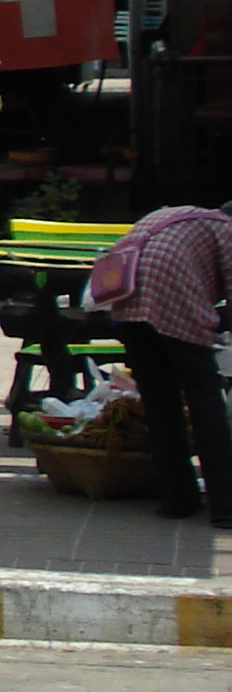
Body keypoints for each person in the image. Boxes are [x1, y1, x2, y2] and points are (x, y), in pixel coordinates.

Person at [108, 202, 232, 524]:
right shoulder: (225, 230)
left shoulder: (177, 215)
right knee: (206, 402)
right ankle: (226, 507)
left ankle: (176, 500)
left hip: (126, 302)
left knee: (161, 403)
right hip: (170, 299)